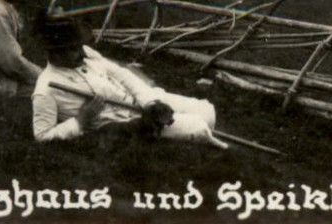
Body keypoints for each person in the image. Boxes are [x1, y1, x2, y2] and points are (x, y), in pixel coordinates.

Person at [30, 16, 226, 146]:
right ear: (55, 52)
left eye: (79, 46)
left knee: (207, 110)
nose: (82, 53)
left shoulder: (86, 54)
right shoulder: (46, 89)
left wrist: (150, 102)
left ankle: (200, 135)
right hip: (125, 123)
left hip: (141, 101)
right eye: (73, 49)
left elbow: (122, 74)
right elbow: (42, 137)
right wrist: (80, 121)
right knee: (199, 127)